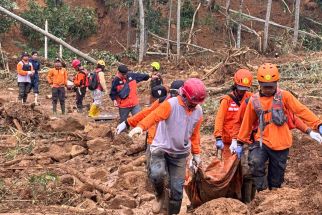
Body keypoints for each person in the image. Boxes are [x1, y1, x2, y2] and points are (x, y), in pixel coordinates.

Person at [237, 63, 322, 192]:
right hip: (262, 142)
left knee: (276, 180)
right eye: (265, 87)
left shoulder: (285, 96)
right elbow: (247, 123)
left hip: (281, 144)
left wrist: (317, 124)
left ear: (277, 83)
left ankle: (274, 194)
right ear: (259, 85)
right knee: (255, 163)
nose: (268, 90)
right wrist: (239, 142)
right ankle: (261, 193)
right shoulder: (254, 101)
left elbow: (301, 111)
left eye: (271, 86)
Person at [128, 78, 206, 215]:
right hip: (161, 148)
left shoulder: (198, 111)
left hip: (180, 153)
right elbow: (154, 116)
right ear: (184, 95)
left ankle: (172, 213)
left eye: (196, 104)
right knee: (157, 174)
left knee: (177, 191)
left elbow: (194, 134)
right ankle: (159, 195)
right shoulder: (171, 105)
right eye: (192, 102)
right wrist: (140, 127)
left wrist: (196, 154)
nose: (193, 106)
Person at [214, 69, 253, 160]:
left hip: (245, 140)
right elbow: (219, 119)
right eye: (240, 89)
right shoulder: (227, 100)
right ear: (235, 85)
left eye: (245, 89)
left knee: (245, 169)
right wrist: (218, 137)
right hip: (228, 141)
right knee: (229, 167)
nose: (242, 91)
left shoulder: (251, 98)